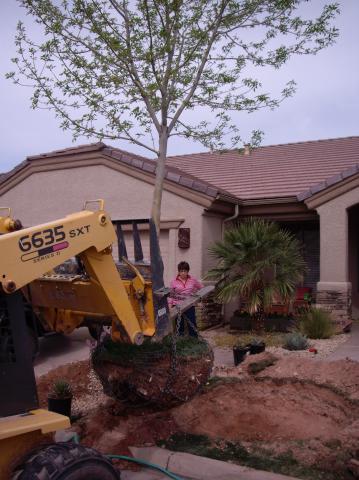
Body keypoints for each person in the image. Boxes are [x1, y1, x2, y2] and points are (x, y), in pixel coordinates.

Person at [168, 261, 203, 337]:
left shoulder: (193, 280)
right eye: (181, 271)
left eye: (185, 271)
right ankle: (181, 340)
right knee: (179, 324)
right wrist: (170, 306)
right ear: (179, 272)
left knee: (192, 322)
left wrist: (196, 297)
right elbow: (171, 295)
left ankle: (194, 339)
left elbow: (201, 288)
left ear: (188, 271)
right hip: (177, 305)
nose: (183, 273)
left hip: (189, 304)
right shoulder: (173, 282)